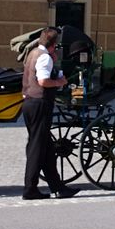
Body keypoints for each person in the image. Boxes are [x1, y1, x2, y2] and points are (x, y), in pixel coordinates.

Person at [20, 27, 74, 199]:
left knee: (47, 148)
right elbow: (43, 81)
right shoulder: (44, 57)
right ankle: (30, 189)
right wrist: (60, 81)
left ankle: (57, 187)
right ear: (53, 45)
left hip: (29, 102)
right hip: (40, 104)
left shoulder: (33, 53)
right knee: (37, 147)